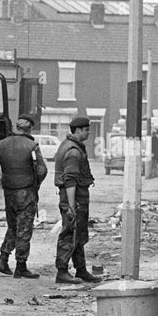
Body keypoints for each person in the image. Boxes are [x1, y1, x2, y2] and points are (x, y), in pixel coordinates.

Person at [0, 114, 47, 279]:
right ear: (30, 128)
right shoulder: (32, 145)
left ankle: (3, 258)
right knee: (24, 230)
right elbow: (42, 170)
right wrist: (35, 184)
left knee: (12, 226)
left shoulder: (1, 144)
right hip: (25, 192)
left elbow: (1, 162)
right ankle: (21, 266)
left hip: (8, 190)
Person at [54, 116, 102, 284]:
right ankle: (62, 271)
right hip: (73, 199)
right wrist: (72, 205)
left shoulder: (71, 146)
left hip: (76, 198)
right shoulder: (74, 151)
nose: (89, 132)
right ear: (78, 130)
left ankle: (81, 270)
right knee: (69, 234)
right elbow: (70, 180)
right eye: (87, 129)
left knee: (78, 234)